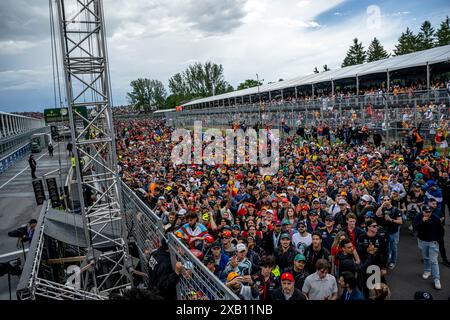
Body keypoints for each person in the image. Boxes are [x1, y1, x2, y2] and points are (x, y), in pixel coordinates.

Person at [413, 205, 443, 290]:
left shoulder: (436, 218)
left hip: (433, 242)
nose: (428, 213)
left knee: (433, 261)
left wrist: (438, 240)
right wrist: (422, 221)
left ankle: (436, 279)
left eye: (429, 212)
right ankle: (427, 271)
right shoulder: (418, 217)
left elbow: (441, 231)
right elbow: (414, 228)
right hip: (423, 241)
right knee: (426, 258)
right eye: (426, 212)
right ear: (422, 211)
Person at [376, 195, 403, 269]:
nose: (386, 201)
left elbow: (400, 221)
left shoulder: (396, 210)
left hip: (393, 231)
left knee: (393, 247)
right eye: (384, 199)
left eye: (388, 199)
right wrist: (382, 205)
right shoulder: (384, 208)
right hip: (386, 231)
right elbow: (377, 214)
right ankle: (387, 259)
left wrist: (390, 219)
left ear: (390, 200)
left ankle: (393, 262)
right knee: (386, 247)